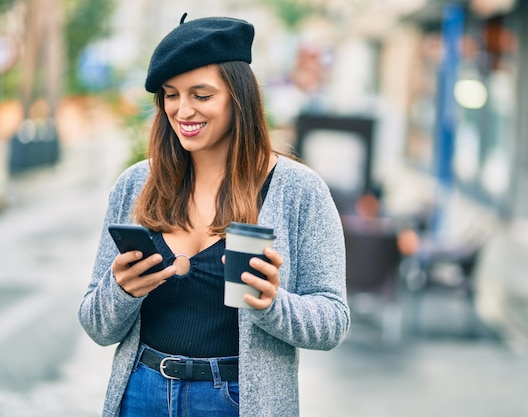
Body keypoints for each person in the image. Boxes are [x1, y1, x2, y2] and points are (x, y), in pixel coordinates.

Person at [78, 14, 350, 417]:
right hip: (142, 394)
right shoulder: (136, 184)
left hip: (235, 401)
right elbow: (97, 325)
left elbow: (332, 321)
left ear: (238, 98)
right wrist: (122, 290)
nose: (183, 111)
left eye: (201, 95)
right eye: (171, 95)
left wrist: (271, 303)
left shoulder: (297, 191)